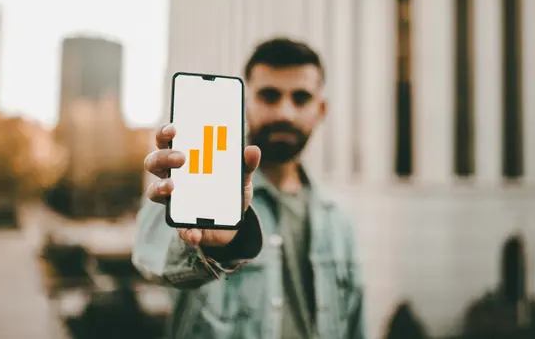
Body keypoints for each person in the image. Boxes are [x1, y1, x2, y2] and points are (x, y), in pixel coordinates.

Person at [133, 38, 365, 339]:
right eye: (269, 96)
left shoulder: (339, 221)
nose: (285, 113)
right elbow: (149, 256)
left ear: (320, 109)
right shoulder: (191, 182)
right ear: (245, 102)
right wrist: (212, 247)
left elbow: (356, 324)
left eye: (301, 98)